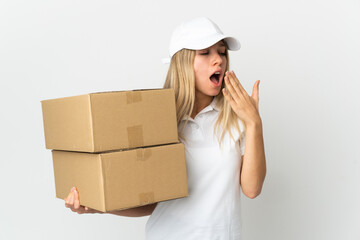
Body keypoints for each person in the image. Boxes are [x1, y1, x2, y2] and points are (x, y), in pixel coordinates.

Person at [65, 17, 266, 240]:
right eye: (205, 52)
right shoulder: (156, 120)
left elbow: (252, 189)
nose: (218, 60)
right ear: (183, 61)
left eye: (221, 52)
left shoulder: (238, 117)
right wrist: (98, 205)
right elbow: (152, 202)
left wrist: (254, 123)